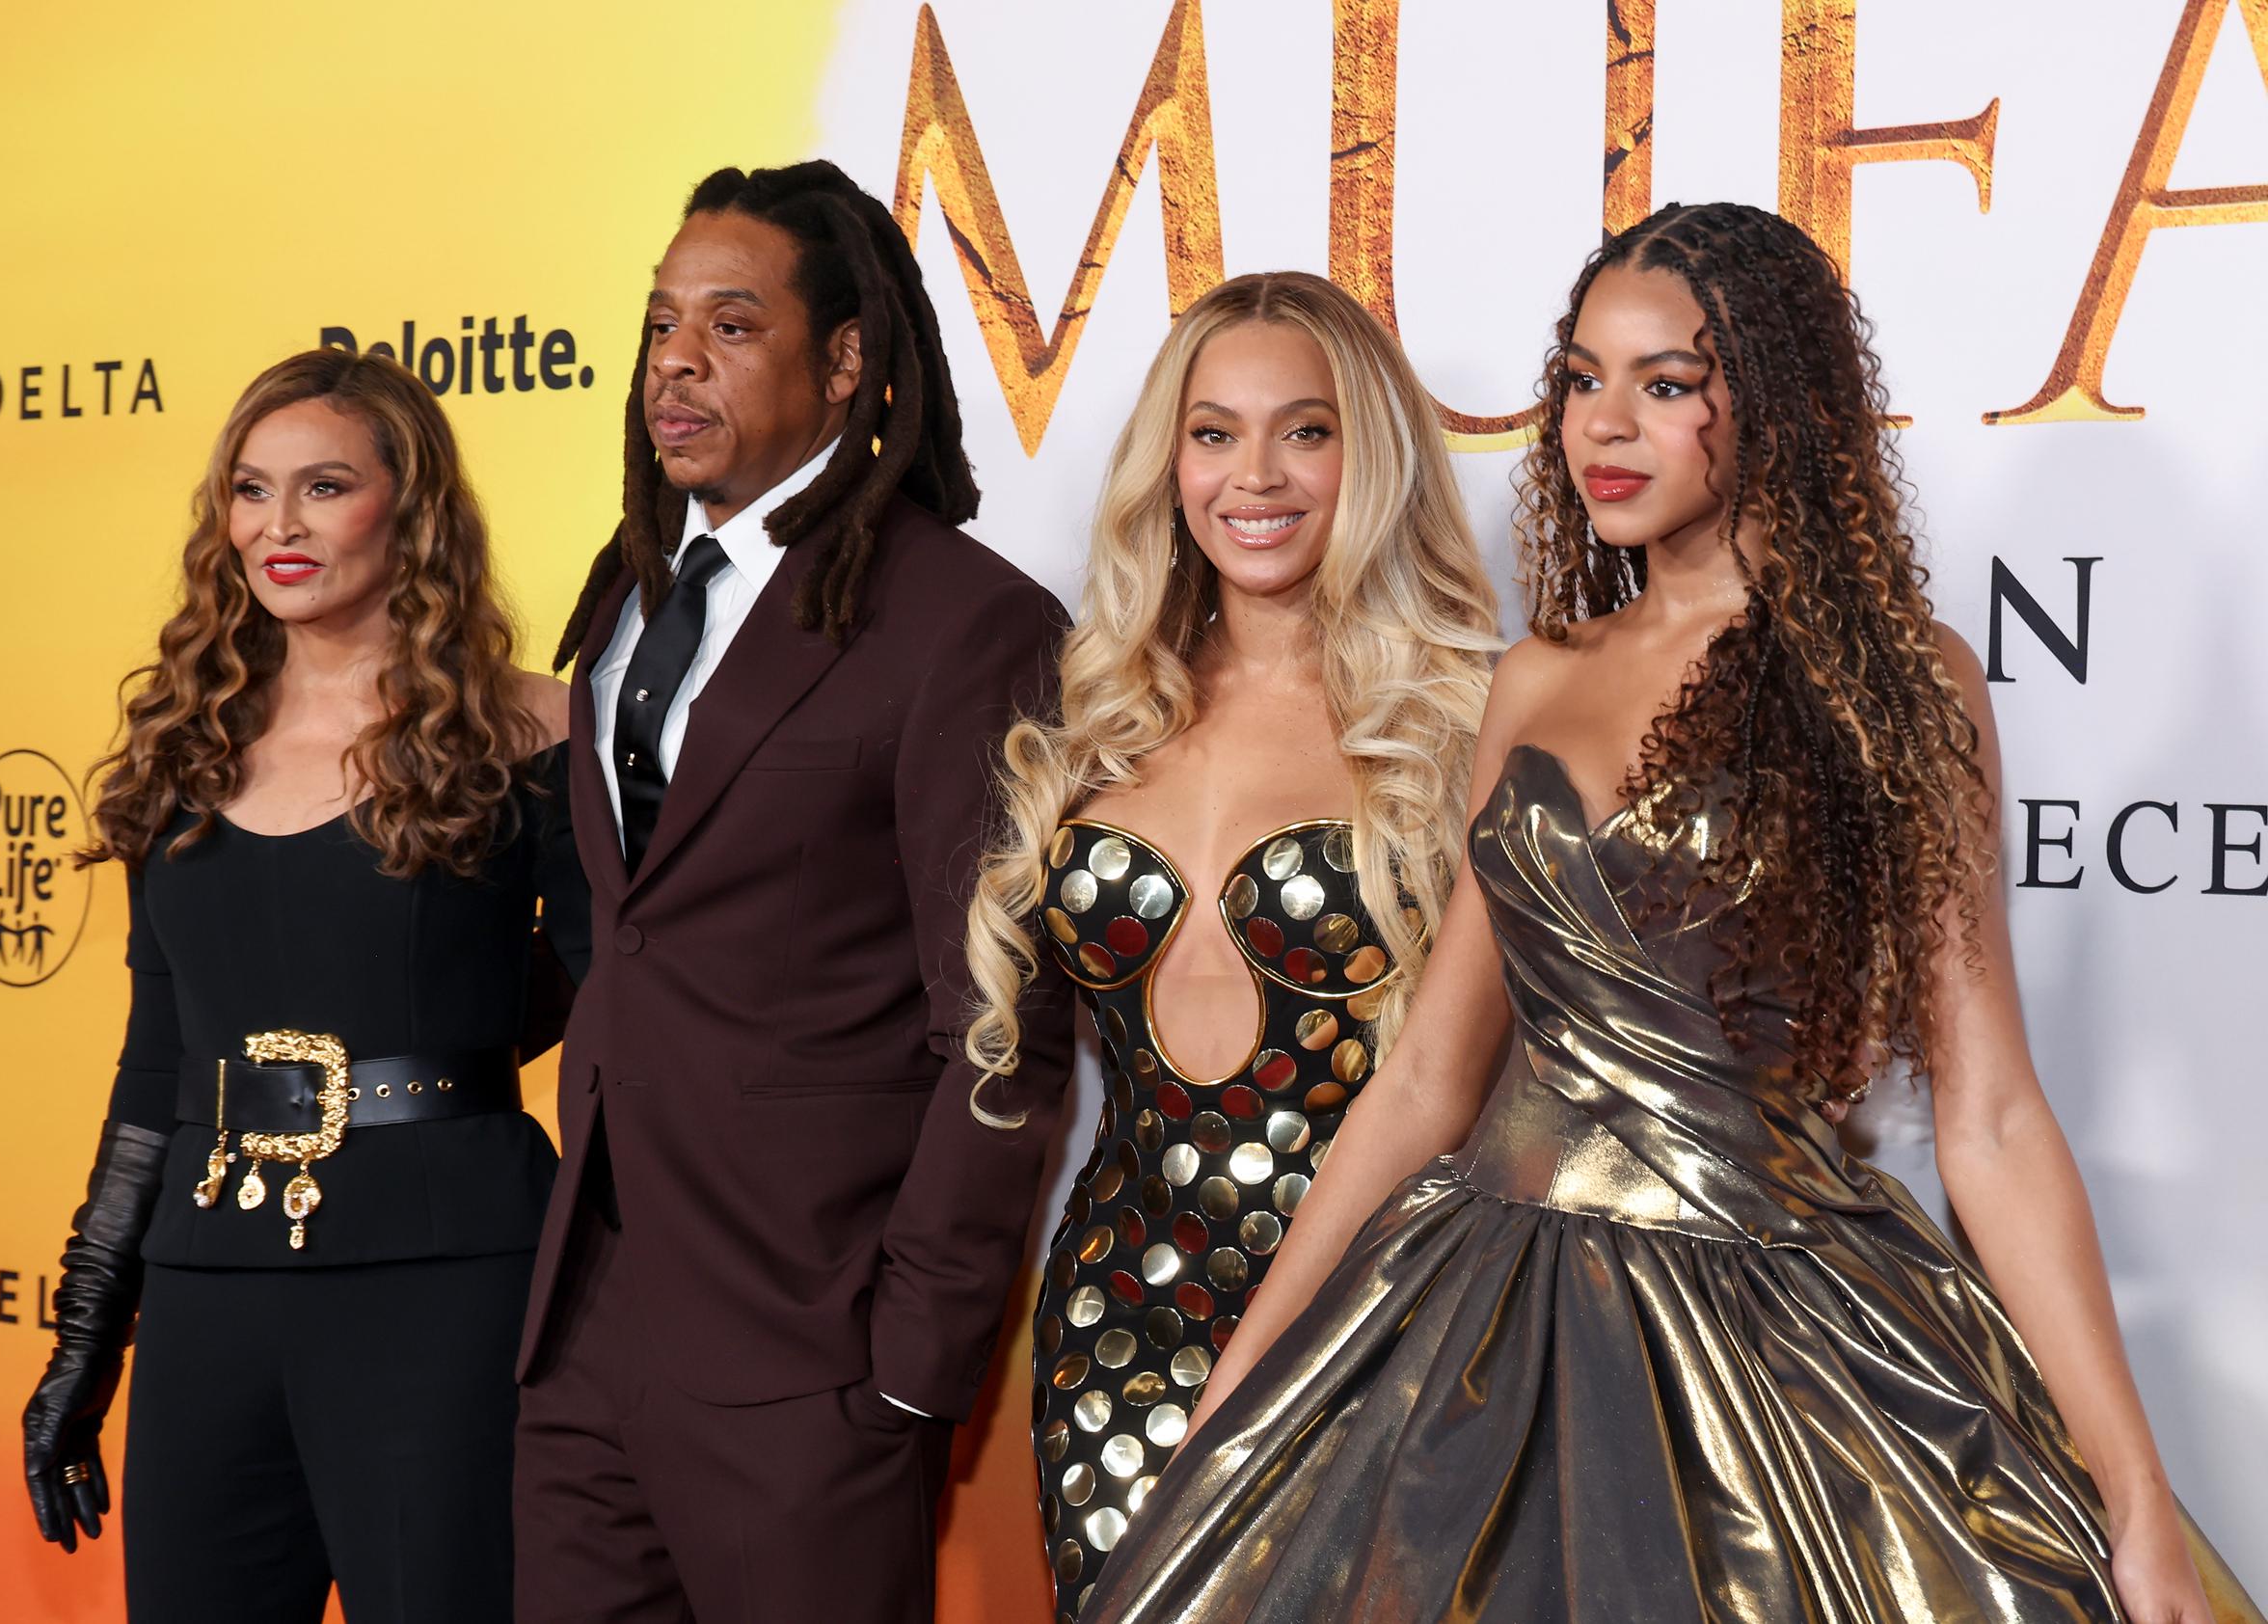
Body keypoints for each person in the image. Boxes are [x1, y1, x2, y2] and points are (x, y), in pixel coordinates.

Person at [1078, 204, 2262, 1622]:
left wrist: (2131, 1495)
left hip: (1774, 1340)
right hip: (1481, 1324)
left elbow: (1991, 1115)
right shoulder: (1536, 675)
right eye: (1581, 381)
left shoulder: (1899, 684)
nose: (1604, 427)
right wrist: (1240, 1399)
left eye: (1665, 384)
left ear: (1776, 401)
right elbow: (1424, 1085)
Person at [511, 159, 1074, 1624]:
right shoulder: (632, 593)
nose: (676, 363)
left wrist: (907, 1367)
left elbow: (1003, 1028)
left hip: (808, 1355)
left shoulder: (966, 622)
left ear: (844, 363)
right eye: (659, 326)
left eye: (733, 325)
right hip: (587, 1334)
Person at [959, 270, 1499, 1620]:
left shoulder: (1468, 719)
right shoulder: (1098, 714)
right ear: (1171, 460)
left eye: (1304, 431)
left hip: (1390, 1330)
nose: (1253, 474)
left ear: (1368, 455)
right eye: (1214, 432)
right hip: (1121, 1330)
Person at [20, 348, 584, 1624]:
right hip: (209, 1293)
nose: (277, 527)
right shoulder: (181, 751)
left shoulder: (533, 735)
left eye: (323, 486)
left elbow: (623, 1023)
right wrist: (83, 1341)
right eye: (250, 490)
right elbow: (155, 1074)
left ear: (411, 507)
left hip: (447, 1285)